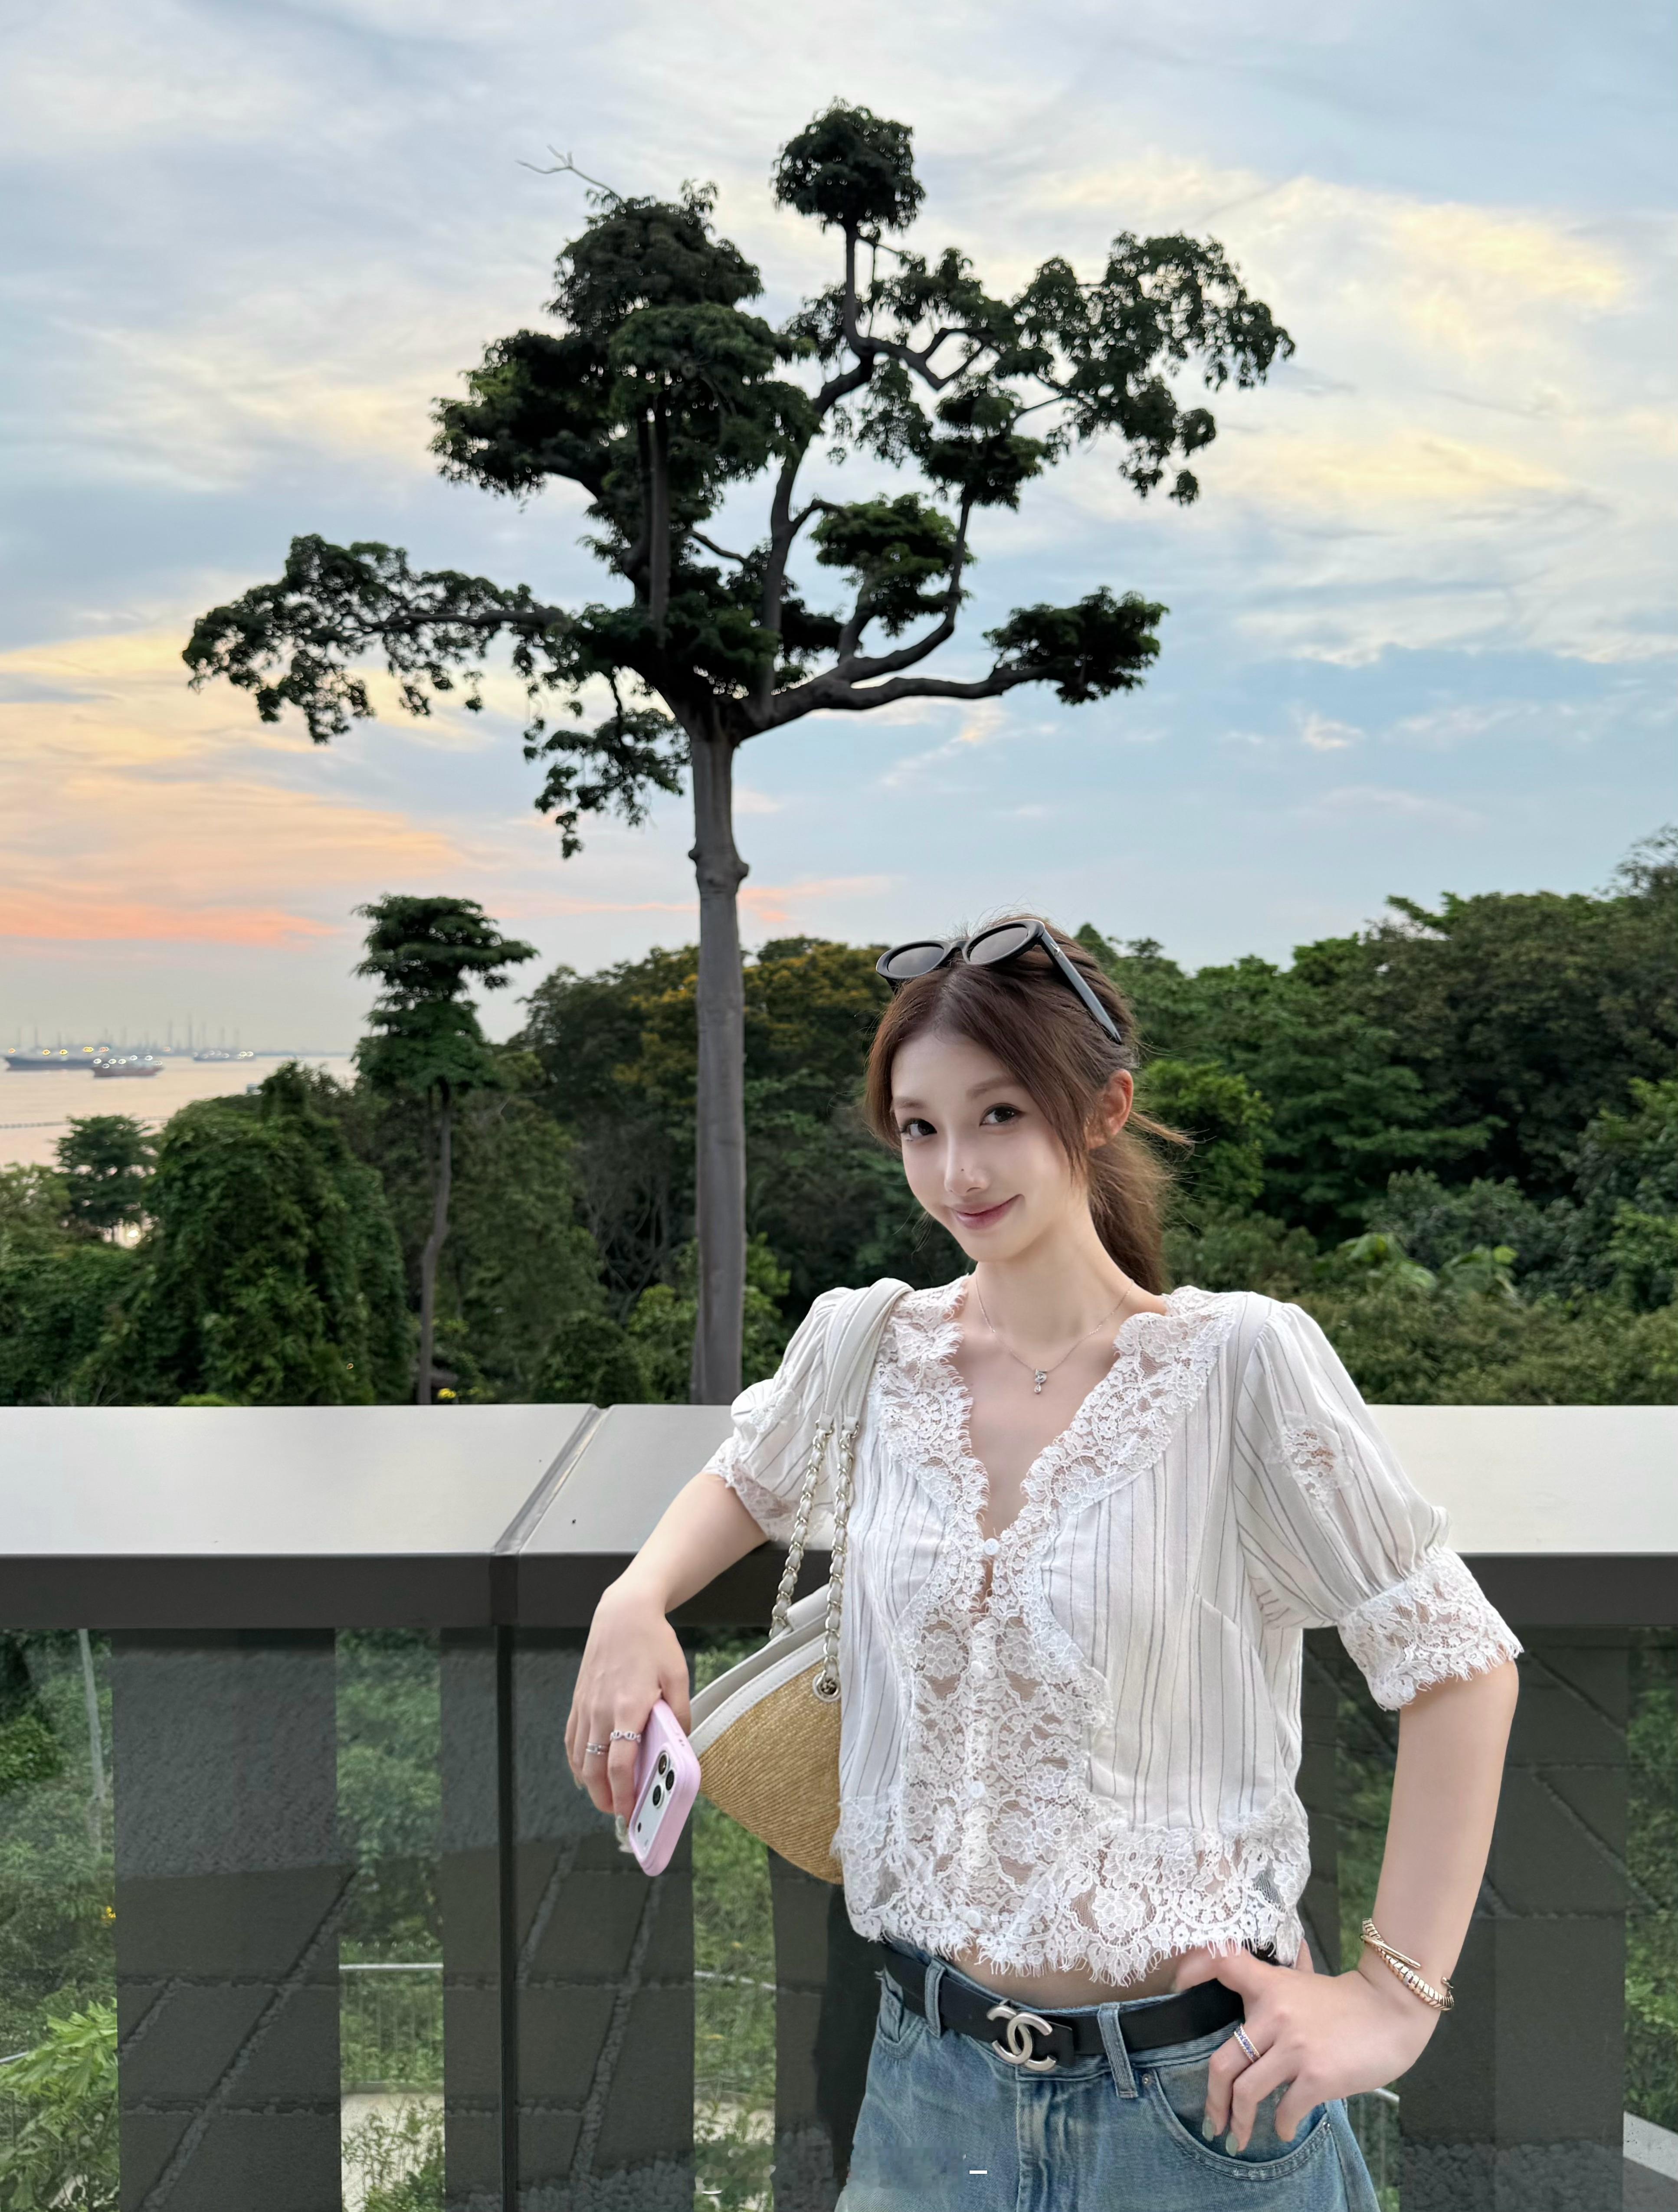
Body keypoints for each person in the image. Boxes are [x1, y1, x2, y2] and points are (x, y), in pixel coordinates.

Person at [566, 916, 1522, 2210]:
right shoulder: (868, 1349)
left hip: (1196, 2100)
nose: (956, 1168)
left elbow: (1456, 1661)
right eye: (919, 1127)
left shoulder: (1234, 1367)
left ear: (1102, 1109)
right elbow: (749, 1475)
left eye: (999, 1114)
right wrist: (635, 1598)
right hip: (928, 2087)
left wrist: (1390, 2001)